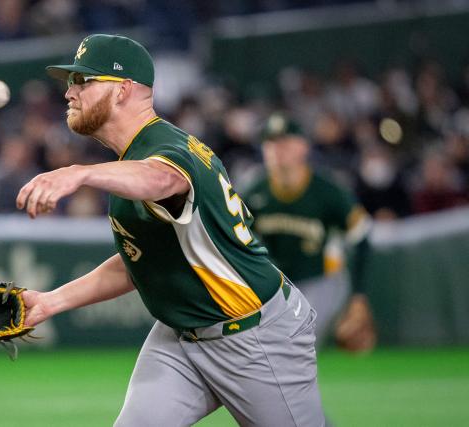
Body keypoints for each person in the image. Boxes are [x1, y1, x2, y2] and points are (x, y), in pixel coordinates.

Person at [17, 34, 325, 426]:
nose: (69, 93)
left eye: (83, 81)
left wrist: (79, 174)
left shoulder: (164, 148)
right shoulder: (132, 159)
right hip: (180, 337)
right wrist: (52, 302)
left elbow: (163, 180)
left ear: (123, 89)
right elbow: (140, 262)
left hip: (255, 337)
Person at [242, 113, 376, 352]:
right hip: (275, 286)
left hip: (321, 281)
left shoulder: (327, 191)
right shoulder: (253, 192)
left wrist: (358, 297)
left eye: (284, 142)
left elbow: (362, 237)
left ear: (303, 147)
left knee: (291, 344)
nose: (276, 149)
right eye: (270, 142)